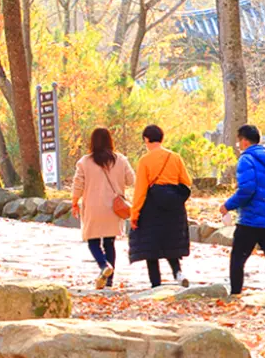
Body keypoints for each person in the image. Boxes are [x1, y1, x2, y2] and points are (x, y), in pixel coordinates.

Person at [220, 124, 265, 295]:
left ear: (244, 141)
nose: (238, 145)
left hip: (251, 220)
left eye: (239, 141)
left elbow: (247, 189)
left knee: (237, 258)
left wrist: (227, 205)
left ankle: (235, 294)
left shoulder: (246, 159)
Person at [71, 128, 136, 289]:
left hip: (93, 208)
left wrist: (74, 202)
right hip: (114, 208)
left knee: (92, 241)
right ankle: (109, 281)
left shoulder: (84, 162)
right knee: (109, 243)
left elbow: (78, 184)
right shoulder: (120, 159)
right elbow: (131, 180)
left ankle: (103, 265)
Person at [129, 124, 192, 288]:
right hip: (174, 207)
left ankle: (155, 284)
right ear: (162, 138)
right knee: (171, 243)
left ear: (146, 139)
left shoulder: (145, 161)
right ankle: (178, 273)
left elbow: (140, 190)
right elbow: (187, 182)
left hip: (152, 208)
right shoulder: (175, 157)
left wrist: (134, 214)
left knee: (152, 248)